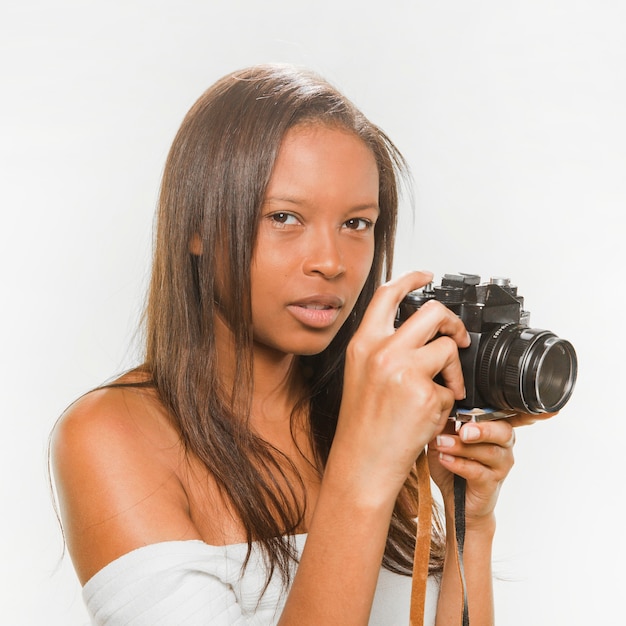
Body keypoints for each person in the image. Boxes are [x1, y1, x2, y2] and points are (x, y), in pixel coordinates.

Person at [50, 63, 537, 625]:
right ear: (197, 227)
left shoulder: (364, 412)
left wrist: (469, 526)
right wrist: (364, 467)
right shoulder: (108, 436)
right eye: (284, 217)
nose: (330, 263)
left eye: (356, 224)